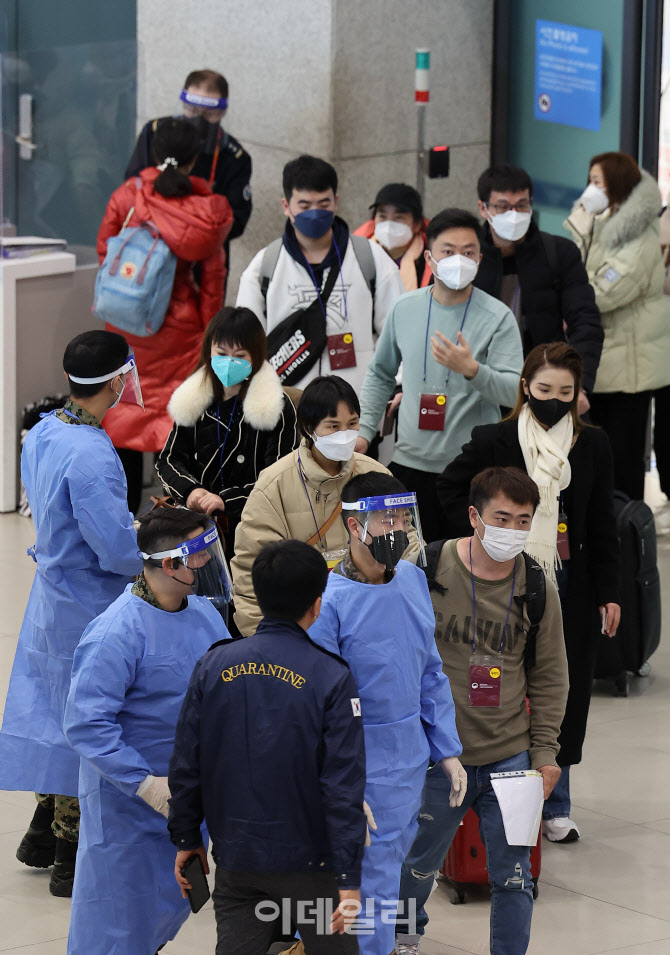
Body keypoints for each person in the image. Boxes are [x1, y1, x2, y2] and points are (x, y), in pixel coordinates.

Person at [437, 343, 620, 844]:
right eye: (544, 391)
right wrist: (483, 542)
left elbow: (603, 521)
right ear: (524, 387)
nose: (554, 401)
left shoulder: (593, 445)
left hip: (568, 582)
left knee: (559, 688)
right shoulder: (495, 438)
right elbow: (451, 489)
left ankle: (555, 802)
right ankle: (482, 802)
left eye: (566, 392)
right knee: (502, 684)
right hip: (500, 582)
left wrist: (610, 590)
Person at [395, 466, 569, 955]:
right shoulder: (424, 568)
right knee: (414, 868)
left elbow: (552, 675)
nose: (513, 530)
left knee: (515, 880)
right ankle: (402, 939)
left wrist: (546, 752)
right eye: (502, 517)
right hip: (434, 756)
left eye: (524, 520)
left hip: (510, 758)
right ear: (474, 516)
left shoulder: (537, 586)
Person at [169, 539, 366, 955]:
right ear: (317, 603)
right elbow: (343, 786)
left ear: (257, 596)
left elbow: (187, 761)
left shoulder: (213, 665)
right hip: (312, 868)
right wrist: (349, 878)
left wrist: (188, 838)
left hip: (237, 861)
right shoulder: (331, 677)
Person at [0, 330, 142, 897]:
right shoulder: (91, 454)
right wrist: (153, 547)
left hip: (50, 597)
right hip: (90, 599)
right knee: (90, 717)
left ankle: (39, 832)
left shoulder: (44, 430)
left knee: (51, 712)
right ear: (114, 380)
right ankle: (68, 857)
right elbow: (113, 549)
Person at [308, 472, 465, 955]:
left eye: (402, 517)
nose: (396, 528)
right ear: (355, 526)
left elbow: (430, 672)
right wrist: (338, 781)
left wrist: (448, 750)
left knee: (390, 866)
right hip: (357, 755)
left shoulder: (414, 580)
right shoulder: (328, 600)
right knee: (363, 882)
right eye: (385, 519)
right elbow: (316, 702)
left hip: (407, 756)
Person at [64, 507, 231, 955]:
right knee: (117, 920)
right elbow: (85, 723)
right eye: (201, 555)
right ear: (172, 563)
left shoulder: (205, 616)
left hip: (185, 797)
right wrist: (146, 785)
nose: (211, 563)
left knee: (163, 909)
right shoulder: (117, 632)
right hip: (130, 805)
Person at [356, 208, 523, 541]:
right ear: (430, 258)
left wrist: (472, 370)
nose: (458, 260)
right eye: (448, 251)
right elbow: (380, 374)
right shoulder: (405, 308)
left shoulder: (498, 316)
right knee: (411, 565)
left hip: (472, 471)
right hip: (409, 463)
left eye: (468, 252)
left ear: (480, 257)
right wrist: (363, 431)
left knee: (465, 572)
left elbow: (514, 393)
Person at [98, 116, 233, 513]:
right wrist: (210, 336)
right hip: (181, 330)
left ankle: (120, 521)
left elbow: (107, 253)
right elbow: (213, 282)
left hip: (125, 322)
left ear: (153, 153)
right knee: (176, 423)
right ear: (195, 160)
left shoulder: (127, 196)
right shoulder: (206, 210)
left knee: (122, 414)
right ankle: (174, 525)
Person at [231, 375, 396, 636]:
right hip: (301, 628)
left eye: (352, 424)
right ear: (308, 428)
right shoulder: (274, 484)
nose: (345, 434)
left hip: (369, 621)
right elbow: (251, 569)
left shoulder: (375, 475)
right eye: (333, 426)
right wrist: (267, 641)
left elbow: (406, 545)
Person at [236, 154, 405, 392]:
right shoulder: (266, 265)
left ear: (336, 202)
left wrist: (396, 385)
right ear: (286, 206)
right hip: (287, 410)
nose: (315, 213)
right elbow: (245, 342)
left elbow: (398, 332)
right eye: (304, 206)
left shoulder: (370, 258)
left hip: (357, 408)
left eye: (324, 205)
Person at [564, 151, 670, 499]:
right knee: (600, 454)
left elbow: (605, 292)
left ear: (617, 186)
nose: (590, 190)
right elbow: (574, 265)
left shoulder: (637, 238)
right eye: (589, 181)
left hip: (630, 368)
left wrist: (572, 294)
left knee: (623, 459)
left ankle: (627, 532)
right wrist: (581, 222)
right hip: (609, 359)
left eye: (598, 183)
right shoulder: (602, 221)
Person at [156, 306, 300, 555]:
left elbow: (281, 478)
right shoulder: (195, 398)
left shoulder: (276, 406)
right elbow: (169, 460)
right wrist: (191, 491)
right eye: (221, 353)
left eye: (240, 355)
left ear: (255, 356)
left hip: (256, 530)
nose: (229, 362)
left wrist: (227, 501)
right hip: (197, 527)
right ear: (208, 351)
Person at [474, 163, 603, 411]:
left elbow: (585, 320)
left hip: (544, 387)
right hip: (479, 388)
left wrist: (578, 384)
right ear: (483, 208)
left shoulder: (558, 253)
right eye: (502, 206)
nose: (513, 214)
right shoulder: (468, 257)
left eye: (521, 205)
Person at [125, 68, 252, 259]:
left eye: (209, 113)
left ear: (222, 112)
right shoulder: (156, 133)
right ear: (183, 105)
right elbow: (132, 187)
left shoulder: (234, 157)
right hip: (150, 249)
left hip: (204, 256)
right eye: (192, 110)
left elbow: (236, 219)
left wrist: (191, 231)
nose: (198, 120)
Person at [354, 182, 432, 291]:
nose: (389, 225)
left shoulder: (431, 262)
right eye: (383, 216)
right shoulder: (358, 255)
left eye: (398, 217)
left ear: (417, 224)